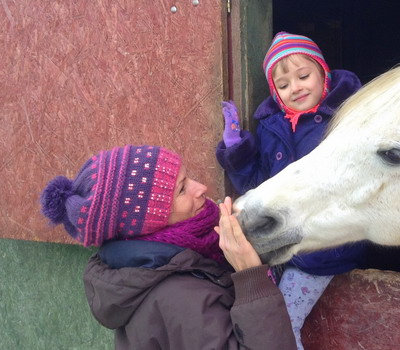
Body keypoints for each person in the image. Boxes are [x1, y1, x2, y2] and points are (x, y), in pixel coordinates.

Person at [40, 145, 296, 350]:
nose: (201, 188)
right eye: (182, 189)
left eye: (188, 177)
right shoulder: (180, 299)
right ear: (150, 223)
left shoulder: (171, 264)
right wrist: (251, 279)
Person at [215, 32, 365, 349]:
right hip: (282, 249)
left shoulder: (347, 121)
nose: (295, 87)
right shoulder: (273, 129)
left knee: (283, 320)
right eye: (283, 85)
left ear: (323, 71)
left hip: (320, 251)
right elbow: (259, 186)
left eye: (303, 75)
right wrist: (237, 152)